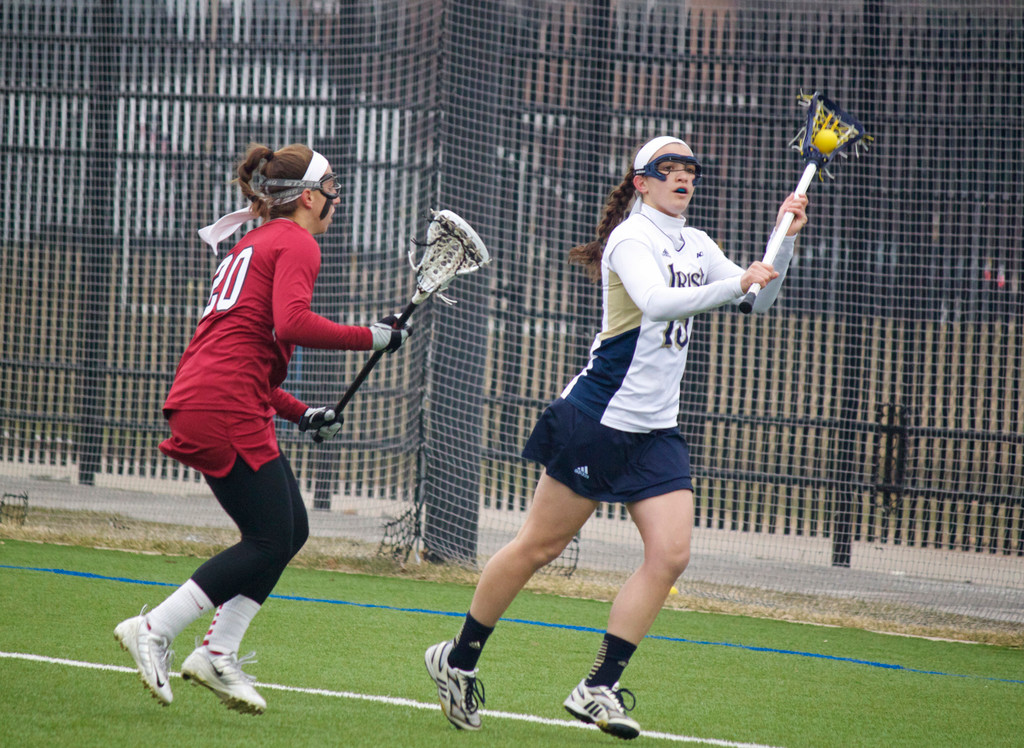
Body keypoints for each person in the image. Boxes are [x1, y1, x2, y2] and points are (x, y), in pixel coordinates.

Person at [424, 135, 808, 739]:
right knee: (536, 549)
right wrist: (737, 285)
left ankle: (597, 686)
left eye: (689, 170)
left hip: (656, 430)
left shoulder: (698, 243)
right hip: (597, 421)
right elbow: (656, 304)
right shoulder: (631, 237)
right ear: (641, 182)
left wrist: (782, 246)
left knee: (671, 554)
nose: (682, 178)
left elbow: (758, 301)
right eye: (668, 170)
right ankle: (459, 657)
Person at [114, 143, 412, 714]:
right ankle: (154, 628)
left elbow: (250, 351)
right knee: (270, 537)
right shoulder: (295, 241)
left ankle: (218, 652)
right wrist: (373, 336)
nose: (337, 200)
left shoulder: (257, 241)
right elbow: (292, 322)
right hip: (223, 403)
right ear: (307, 197)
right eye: (332, 190)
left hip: (220, 396)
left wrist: (301, 412)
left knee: (290, 528)